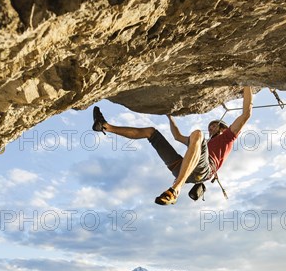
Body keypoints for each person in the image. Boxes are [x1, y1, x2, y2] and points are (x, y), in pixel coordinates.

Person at [92, 86, 253, 205]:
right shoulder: (201, 145)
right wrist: (170, 117)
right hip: (184, 167)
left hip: (203, 171)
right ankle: (105, 126)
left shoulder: (228, 137)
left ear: (223, 128)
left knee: (197, 135)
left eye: (214, 125)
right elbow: (177, 137)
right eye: (210, 125)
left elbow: (246, 114)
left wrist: (247, 84)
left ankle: (175, 189)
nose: (211, 127)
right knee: (151, 132)